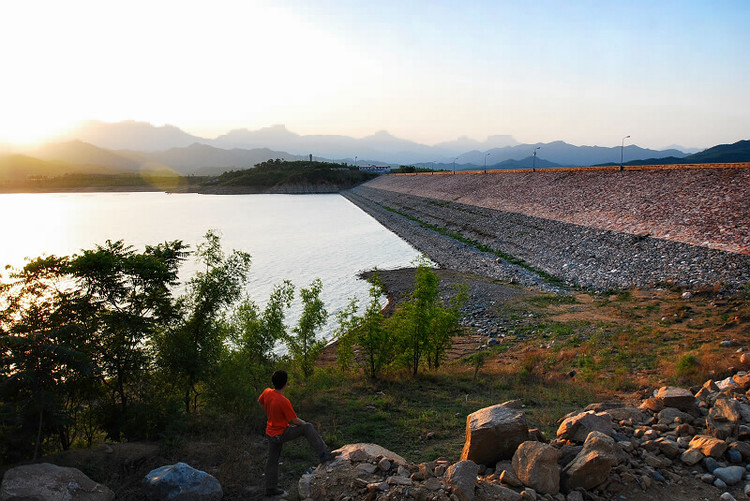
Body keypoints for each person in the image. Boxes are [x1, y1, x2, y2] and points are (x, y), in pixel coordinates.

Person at [258, 370, 337, 497]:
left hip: (270, 433)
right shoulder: (283, 401)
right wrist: (304, 423)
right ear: (285, 384)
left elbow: (260, 402)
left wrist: (270, 414)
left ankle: (270, 488)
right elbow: (294, 420)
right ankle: (323, 455)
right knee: (307, 427)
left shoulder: (267, 392)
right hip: (281, 433)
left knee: (272, 460)